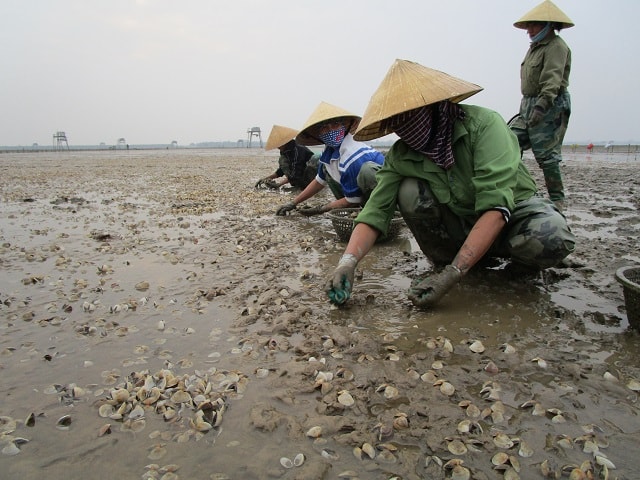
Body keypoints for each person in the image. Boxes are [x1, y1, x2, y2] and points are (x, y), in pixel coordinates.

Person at [325, 59, 576, 308]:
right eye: (396, 121)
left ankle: (517, 267)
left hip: (511, 217)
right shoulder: (403, 153)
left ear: (433, 106)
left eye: (409, 116)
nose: (404, 127)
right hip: (460, 223)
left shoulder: (485, 125)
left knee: (550, 235)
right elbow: (375, 212)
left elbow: (496, 207)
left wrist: (454, 273)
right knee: (409, 190)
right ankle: (444, 259)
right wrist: (347, 263)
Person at [509, 0, 574, 209]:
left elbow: (552, 80)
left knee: (547, 157)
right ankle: (514, 187)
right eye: (528, 26)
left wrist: (541, 107)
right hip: (527, 104)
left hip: (549, 105)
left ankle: (557, 201)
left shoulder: (557, 47)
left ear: (547, 25)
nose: (529, 30)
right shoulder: (534, 49)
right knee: (508, 141)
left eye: (533, 25)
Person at [276, 102, 385, 216]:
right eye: (324, 128)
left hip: (382, 194)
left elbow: (352, 200)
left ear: (345, 126)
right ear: (318, 134)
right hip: (357, 195)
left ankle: (374, 212)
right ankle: (356, 211)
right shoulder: (329, 152)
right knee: (328, 173)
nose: (330, 130)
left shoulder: (351, 156)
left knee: (366, 173)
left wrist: (319, 209)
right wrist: (294, 202)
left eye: (335, 125)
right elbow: (319, 181)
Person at [255, 125, 319, 190]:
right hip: (298, 176)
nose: (277, 147)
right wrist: (266, 178)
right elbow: (281, 170)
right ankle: (298, 185)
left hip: (311, 176)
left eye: (279, 143)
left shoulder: (297, 150)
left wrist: (279, 184)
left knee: (307, 169)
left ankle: (306, 187)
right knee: (282, 159)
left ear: (285, 142)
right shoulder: (284, 151)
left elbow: (295, 173)